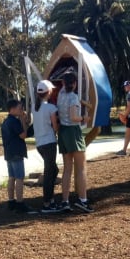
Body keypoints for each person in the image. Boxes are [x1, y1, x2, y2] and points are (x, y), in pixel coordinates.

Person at [56, 70, 94, 213]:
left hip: (63, 132)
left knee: (67, 169)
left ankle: (65, 201)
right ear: (75, 84)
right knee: (81, 167)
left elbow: (64, 86)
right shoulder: (73, 98)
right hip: (73, 131)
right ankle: (82, 200)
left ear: (63, 83)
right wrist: (84, 118)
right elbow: (73, 117)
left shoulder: (60, 95)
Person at [1, 98, 37, 214]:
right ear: (12, 109)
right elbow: (23, 135)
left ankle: (11, 201)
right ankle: (20, 203)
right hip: (16, 152)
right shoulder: (14, 121)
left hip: (9, 152)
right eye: (19, 108)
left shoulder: (6, 122)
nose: (21, 110)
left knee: (12, 177)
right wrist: (22, 120)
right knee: (20, 178)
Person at [32, 79, 60, 214]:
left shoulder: (35, 107)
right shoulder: (51, 108)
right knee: (50, 173)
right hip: (49, 143)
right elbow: (55, 126)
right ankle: (47, 204)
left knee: (53, 170)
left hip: (40, 144)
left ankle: (51, 200)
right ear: (49, 92)